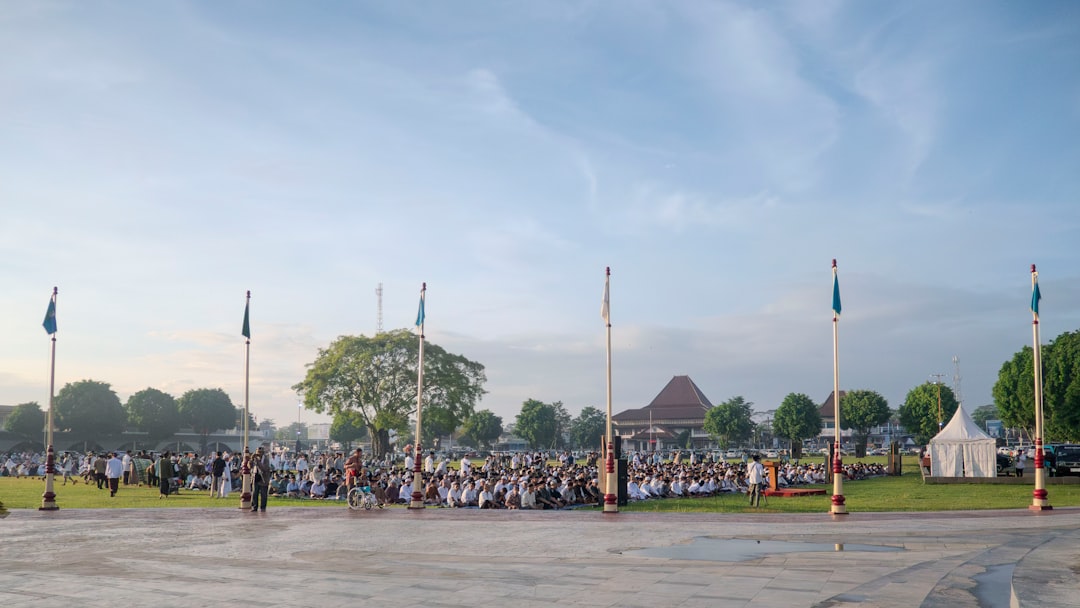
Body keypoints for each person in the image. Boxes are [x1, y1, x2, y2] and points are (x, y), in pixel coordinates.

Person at [251, 447, 271, 512]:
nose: (258, 454)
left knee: (263, 494)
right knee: (254, 493)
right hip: (256, 477)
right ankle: (254, 506)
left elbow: (264, 468)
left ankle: (263, 507)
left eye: (260, 452)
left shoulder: (266, 459)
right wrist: (251, 459)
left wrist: (258, 461)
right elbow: (249, 466)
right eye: (257, 452)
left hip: (263, 478)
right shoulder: (254, 459)